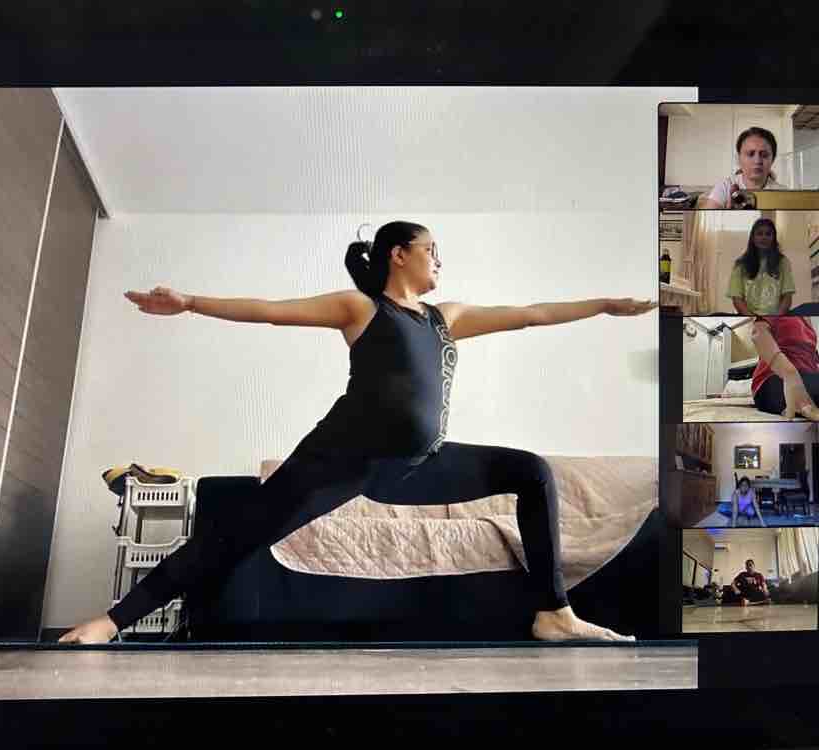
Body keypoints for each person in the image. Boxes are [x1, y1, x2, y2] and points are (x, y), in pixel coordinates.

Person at [58, 221, 656, 645]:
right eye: (431, 250)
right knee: (235, 536)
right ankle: (110, 622)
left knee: (531, 471)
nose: (439, 260)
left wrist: (604, 305)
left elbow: (531, 315)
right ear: (399, 254)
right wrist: (189, 302)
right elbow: (271, 310)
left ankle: (554, 613)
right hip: (340, 461)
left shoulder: (447, 319)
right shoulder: (362, 308)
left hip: (419, 465)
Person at [750, 315, 819, 420]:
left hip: (807, 375)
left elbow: (812, 356)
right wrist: (790, 374)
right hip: (774, 378)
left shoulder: (806, 317)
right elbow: (759, 333)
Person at [701, 127, 787, 209]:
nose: (757, 161)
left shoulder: (783, 193)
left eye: (764, 155)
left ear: (773, 159)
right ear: (738, 159)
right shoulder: (725, 187)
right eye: (750, 154)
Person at [725, 218, 794, 315]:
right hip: (749, 316)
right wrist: (753, 318)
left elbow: (787, 297)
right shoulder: (741, 264)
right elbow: (737, 298)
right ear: (753, 238)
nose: (764, 237)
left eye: (768, 234)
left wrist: (775, 319)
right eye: (759, 234)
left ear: (774, 238)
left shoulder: (783, 262)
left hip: (777, 316)